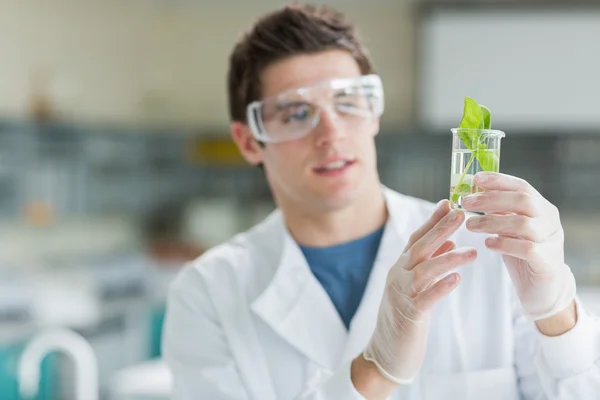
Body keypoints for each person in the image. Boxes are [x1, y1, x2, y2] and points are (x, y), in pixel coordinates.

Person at [161, 3, 600, 399]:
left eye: (349, 101)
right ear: (249, 142)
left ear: (374, 111)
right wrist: (375, 372)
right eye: (296, 113)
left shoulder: (489, 250)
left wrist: (556, 314)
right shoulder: (208, 294)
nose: (330, 133)